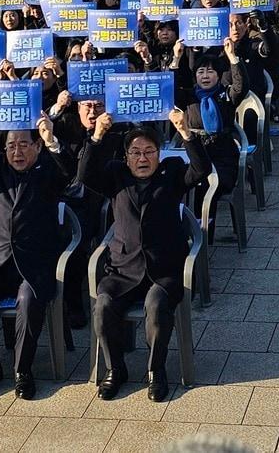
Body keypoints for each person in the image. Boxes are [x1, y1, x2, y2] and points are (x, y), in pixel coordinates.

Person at [81, 107, 210, 402]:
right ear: (126, 157)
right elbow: (85, 175)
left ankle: (156, 371)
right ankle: (116, 369)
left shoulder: (173, 171)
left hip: (163, 269)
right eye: (136, 153)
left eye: (149, 151)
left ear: (158, 154)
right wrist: (98, 134)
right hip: (123, 269)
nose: (142, 158)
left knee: (156, 304)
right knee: (103, 305)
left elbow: (201, 170)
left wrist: (185, 132)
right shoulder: (116, 175)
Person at [0, 113, 73, 399]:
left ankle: (23, 370)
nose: (16, 152)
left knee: (28, 299)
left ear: (36, 147)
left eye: (23, 145)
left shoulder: (48, 170)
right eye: (10, 146)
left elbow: (69, 171)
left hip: (34, 263)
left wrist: (51, 140)